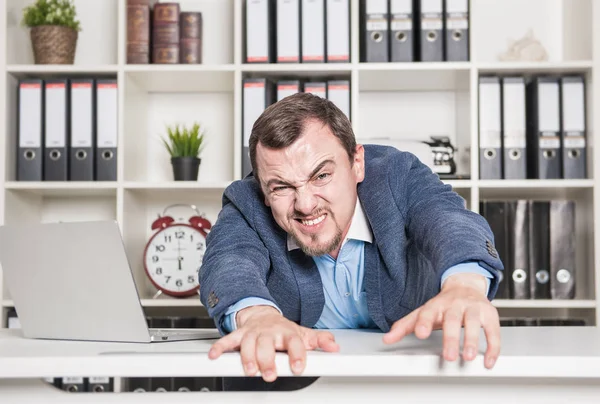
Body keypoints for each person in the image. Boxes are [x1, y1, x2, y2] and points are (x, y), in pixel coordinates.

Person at [199, 92, 504, 389]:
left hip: (412, 380)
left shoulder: (397, 174)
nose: (305, 205)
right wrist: (256, 317)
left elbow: (447, 220)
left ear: (357, 162)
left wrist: (465, 284)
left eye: (321, 177)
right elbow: (229, 259)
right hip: (299, 387)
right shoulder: (247, 201)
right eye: (281, 188)